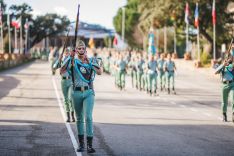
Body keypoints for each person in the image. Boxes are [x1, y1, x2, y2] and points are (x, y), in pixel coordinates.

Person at [70, 40, 102, 153]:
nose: (81, 50)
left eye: (83, 48)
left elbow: (100, 72)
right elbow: (61, 70)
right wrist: (70, 58)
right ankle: (81, 144)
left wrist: (91, 63)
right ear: (76, 50)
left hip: (88, 92)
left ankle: (89, 145)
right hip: (76, 93)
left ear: (85, 50)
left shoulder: (91, 61)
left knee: (88, 117)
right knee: (79, 119)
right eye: (79, 48)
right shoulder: (73, 61)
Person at [53, 48, 75, 122]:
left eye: (67, 52)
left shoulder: (70, 60)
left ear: (69, 53)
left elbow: (73, 66)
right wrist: (59, 59)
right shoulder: (61, 61)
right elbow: (54, 67)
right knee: (65, 99)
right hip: (63, 81)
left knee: (70, 98)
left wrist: (71, 57)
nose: (66, 53)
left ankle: (72, 115)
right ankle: (68, 116)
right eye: (65, 52)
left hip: (70, 80)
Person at [215, 48, 234, 122]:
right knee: (224, 101)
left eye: (231, 57)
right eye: (228, 57)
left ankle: (233, 113)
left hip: (232, 84)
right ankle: (224, 114)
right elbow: (216, 71)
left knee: (233, 99)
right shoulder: (222, 66)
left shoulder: (232, 66)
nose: (230, 59)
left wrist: (232, 50)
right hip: (224, 85)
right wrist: (223, 65)